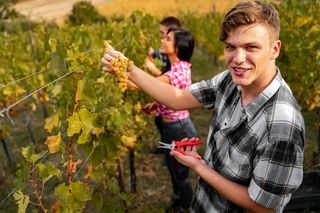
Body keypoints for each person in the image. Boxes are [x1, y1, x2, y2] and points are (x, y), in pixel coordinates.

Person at [101, 1, 305, 213]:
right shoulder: (230, 80)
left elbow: (264, 207)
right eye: (230, 47)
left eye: (251, 47)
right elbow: (179, 97)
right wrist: (130, 69)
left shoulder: (282, 125)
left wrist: (200, 168)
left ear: (275, 49)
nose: (238, 59)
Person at [124, 28, 197, 213]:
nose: (163, 41)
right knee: (173, 171)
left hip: (179, 130)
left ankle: (186, 209)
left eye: (168, 39)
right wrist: (157, 106)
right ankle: (177, 200)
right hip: (171, 127)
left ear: (178, 48)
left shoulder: (175, 73)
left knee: (181, 176)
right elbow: (173, 95)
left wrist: (120, 68)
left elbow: (134, 86)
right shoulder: (177, 69)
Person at [144, 16, 181, 156]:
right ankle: (166, 151)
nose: (160, 37)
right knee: (161, 125)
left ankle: (168, 155)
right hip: (165, 106)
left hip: (173, 115)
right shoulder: (168, 55)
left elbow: (171, 79)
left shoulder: (178, 61)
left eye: (163, 34)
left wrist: (153, 70)